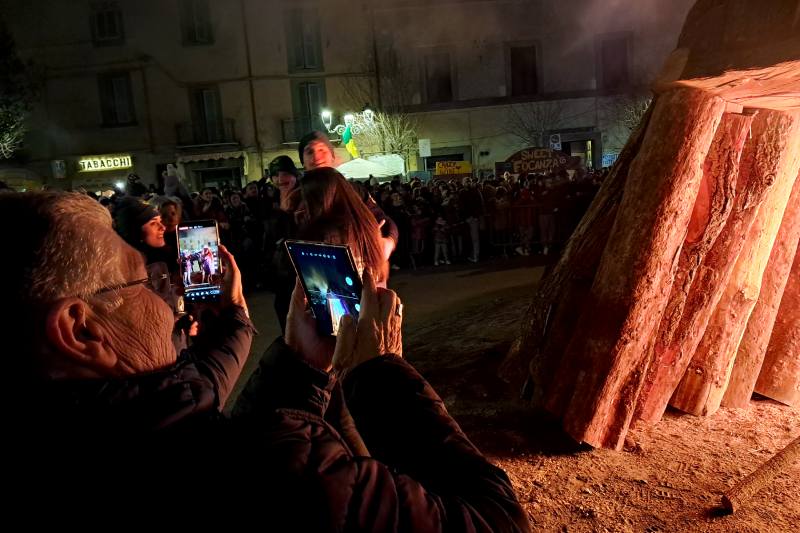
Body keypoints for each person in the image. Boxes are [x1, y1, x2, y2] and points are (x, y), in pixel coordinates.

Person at [5, 191, 530, 531]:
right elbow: (499, 521)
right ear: (80, 330)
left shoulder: (98, 433)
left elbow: (208, 422)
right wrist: (382, 371)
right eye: (143, 279)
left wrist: (300, 365)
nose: (170, 297)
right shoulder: (282, 478)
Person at [298, 130, 398, 262]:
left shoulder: (354, 191)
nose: (316, 156)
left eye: (322, 150)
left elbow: (382, 219)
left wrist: (388, 241)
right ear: (302, 161)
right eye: (309, 151)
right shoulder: (297, 197)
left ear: (332, 157)